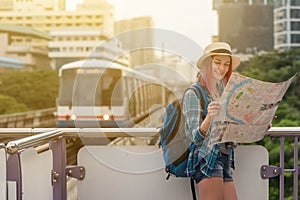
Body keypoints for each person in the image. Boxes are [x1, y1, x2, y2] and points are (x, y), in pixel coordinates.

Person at [183, 42, 240, 200]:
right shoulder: (193, 93)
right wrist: (209, 117)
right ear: (208, 64)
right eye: (218, 62)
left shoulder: (225, 94)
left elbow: (233, 131)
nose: (222, 68)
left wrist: (260, 123)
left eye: (226, 64)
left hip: (225, 157)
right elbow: (193, 136)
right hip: (207, 158)